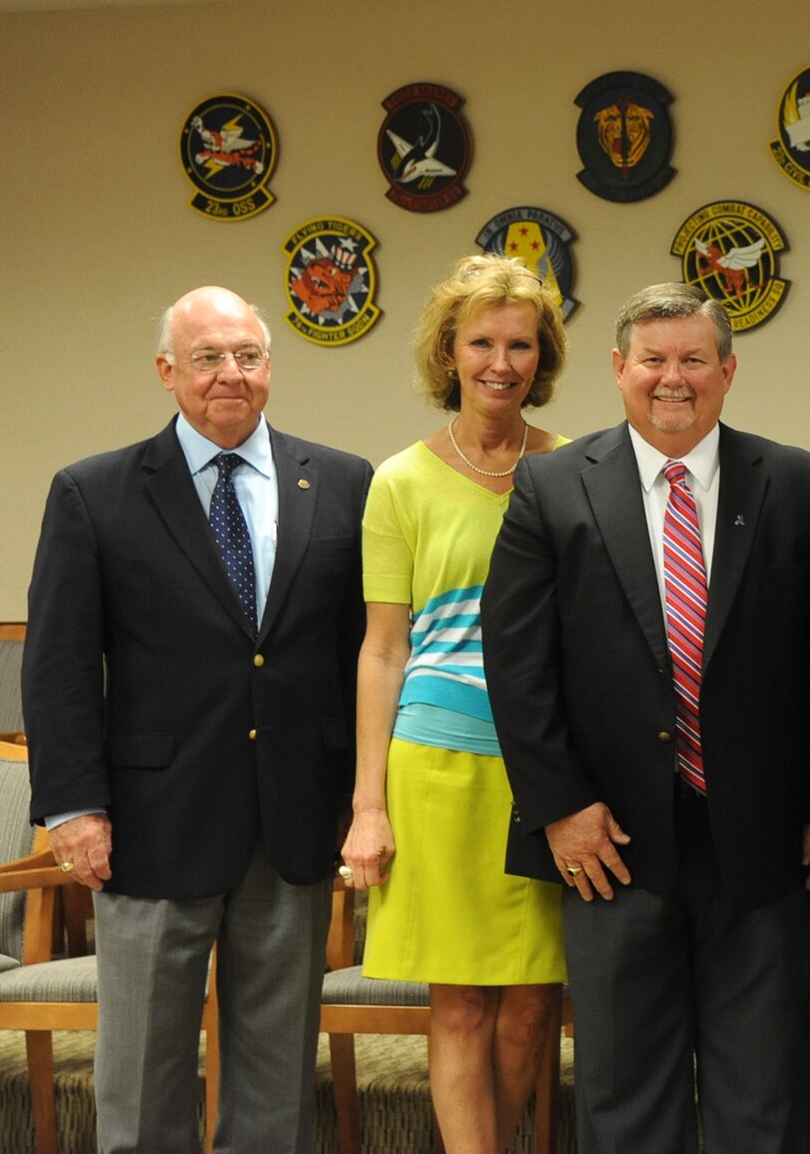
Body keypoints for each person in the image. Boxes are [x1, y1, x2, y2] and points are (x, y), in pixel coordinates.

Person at [483, 282, 810, 1154]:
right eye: (653, 360)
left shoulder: (801, 484)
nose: (672, 378)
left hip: (759, 840)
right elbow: (518, 662)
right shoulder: (549, 486)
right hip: (608, 842)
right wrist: (560, 807)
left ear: (728, 370)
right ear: (619, 370)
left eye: (693, 359)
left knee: (761, 1096)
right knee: (624, 1094)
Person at [21, 286, 370, 1153]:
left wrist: (364, 798)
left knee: (276, 1080)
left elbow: (360, 652)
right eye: (209, 357)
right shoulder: (93, 491)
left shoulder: (343, 480)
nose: (230, 375)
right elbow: (60, 663)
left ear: (269, 367)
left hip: (293, 820)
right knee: (143, 1078)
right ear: (167, 371)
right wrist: (73, 808)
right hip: (148, 824)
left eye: (247, 355)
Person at [339, 257, 569, 1152]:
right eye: (481, 342)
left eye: (520, 343)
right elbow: (384, 646)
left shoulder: (578, 465)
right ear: (449, 350)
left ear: (541, 355)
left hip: (546, 773)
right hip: (435, 768)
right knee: (464, 1004)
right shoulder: (399, 480)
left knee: (530, 1008)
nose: (500, 362)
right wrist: (367, 805)